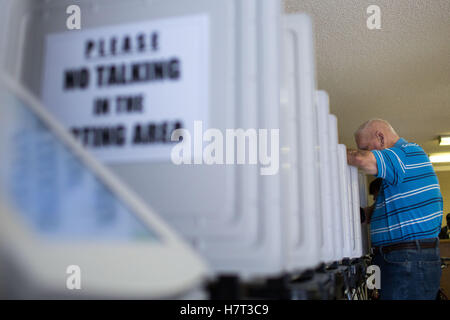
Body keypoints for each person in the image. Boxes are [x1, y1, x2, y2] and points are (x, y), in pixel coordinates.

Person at [347, 119, 443, 300]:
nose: (363, 152)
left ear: (381, 137)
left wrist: (328, 151)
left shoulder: (406, 153)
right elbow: (389, 210)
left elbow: (360, 159)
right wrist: (361, 214)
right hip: (401, 259)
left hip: (407, 259)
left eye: (366, 147)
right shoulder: (397, 172)